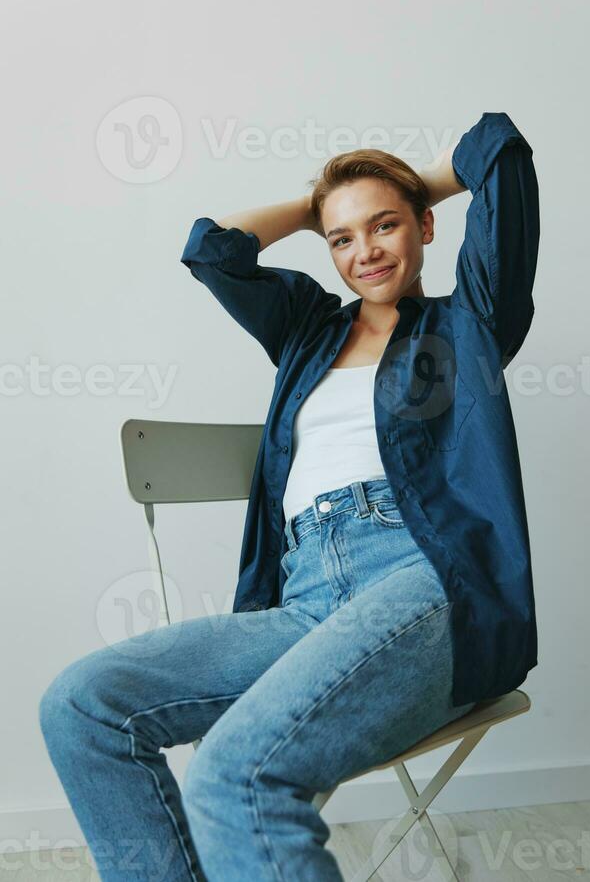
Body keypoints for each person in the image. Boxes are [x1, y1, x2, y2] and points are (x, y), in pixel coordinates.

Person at [39, 111, 540, 881]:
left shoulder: (468, 321)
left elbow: (498, 151)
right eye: (343, 239)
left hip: (425, 582)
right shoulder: (307, 329)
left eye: (386, 227)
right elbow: (212, 251)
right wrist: (319, 208)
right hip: (306, 604)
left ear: (427, 227)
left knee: (236, 775)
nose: (365, 251)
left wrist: (405, 184)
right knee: (80, 706)